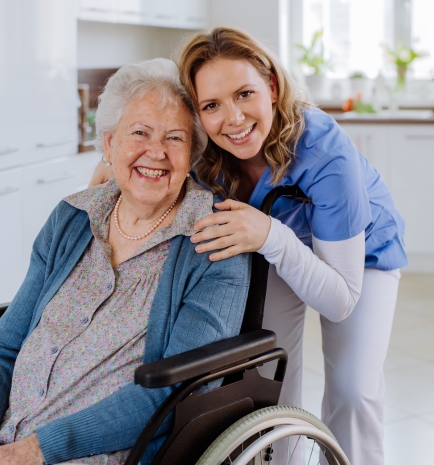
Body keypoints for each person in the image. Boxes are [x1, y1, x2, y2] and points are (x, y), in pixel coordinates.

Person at [0, 58, 251, 465]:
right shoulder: (72, 217)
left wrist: (35, 450)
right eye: (139, 132)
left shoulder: (213, 243)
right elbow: (2, 347)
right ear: (109, 144)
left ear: (192, 154)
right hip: (2, 437)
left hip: (99, 451)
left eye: (174, 138)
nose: (155, 152)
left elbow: (175, 392)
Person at [175, 27, 408, 465]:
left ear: (273, 86)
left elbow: (340, 300)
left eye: (245, 94)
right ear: (196, 114)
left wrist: (271, 236)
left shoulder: (323, 149)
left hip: (362, 255)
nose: (233, 118)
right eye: (211, 105)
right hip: (269, 245)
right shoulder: (204, 153)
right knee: (269, 381)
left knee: (354, 391)